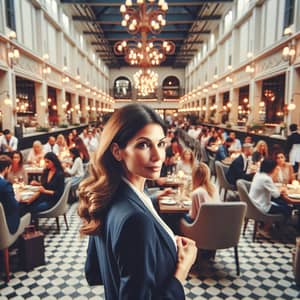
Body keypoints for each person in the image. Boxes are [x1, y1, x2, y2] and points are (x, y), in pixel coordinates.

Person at [78, 104, 197, 299]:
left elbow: (95, 271)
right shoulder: (136, 220)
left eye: (160, 144)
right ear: (117, 151)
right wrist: (182, 270)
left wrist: (158, 247)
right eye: (143, 144)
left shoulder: (106, 197)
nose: (158, 156)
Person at [0, 155, 21, 233]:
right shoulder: (5, 185)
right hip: (6, 224)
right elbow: (14, 205)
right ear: (6, 168)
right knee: (26, 209)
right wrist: (17, 197)